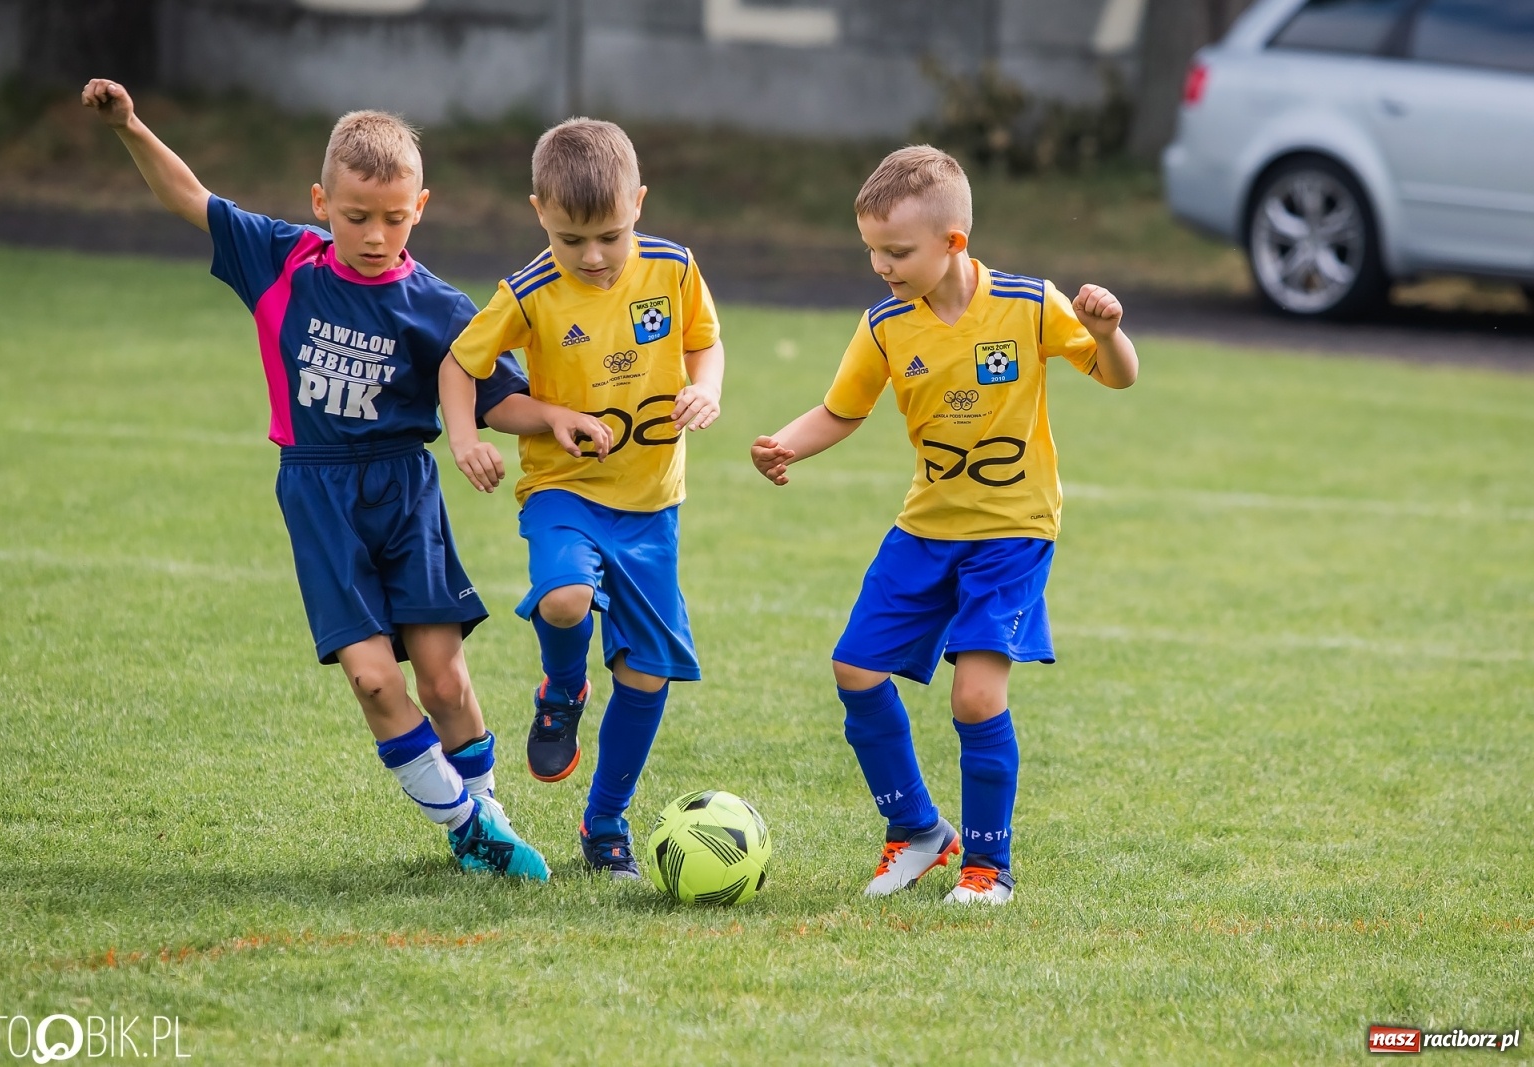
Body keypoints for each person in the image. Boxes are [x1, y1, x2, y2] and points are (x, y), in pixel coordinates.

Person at [79, 78, 549, 880]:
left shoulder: (438, 306)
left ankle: (487, 812)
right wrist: (131, 127)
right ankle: (469, 825)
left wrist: (564, 420)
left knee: (442, 679)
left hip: (406, 491)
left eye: (395, 218)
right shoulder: (281, 259)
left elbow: (499, 396)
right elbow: (188, 195)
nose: (375, 234)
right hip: (318, 492)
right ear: (320, 201)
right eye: (357, 216)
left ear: (421, 206)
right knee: (372, 679)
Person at [751, 145, 1138, 904]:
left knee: (976, 699)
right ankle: (919, 832)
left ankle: (989, 867)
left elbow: (1119, 374)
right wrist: (786, 443)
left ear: (953, 242)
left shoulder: (1028, 304)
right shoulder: (888, 325)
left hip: (1013, 534)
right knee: (854, 670)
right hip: (925, 530)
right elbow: (841, 410)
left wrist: (1107, 331)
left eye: (896, 252)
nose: (881, 266)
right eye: (871, 251)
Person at [440, 117, 724, 879]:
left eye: (610, 235)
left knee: (648, 673)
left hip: (652, 505)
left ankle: (605, 825)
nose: (593, 257)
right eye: (572, 240)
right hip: (562, 489)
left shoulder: (672, 266)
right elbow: (461, 363)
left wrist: (705, 389)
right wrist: (466, 437)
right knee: (565, 600)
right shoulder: (529, 290)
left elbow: (705, 340)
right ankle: (563, 689)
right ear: (540, 213)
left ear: (638, 202)